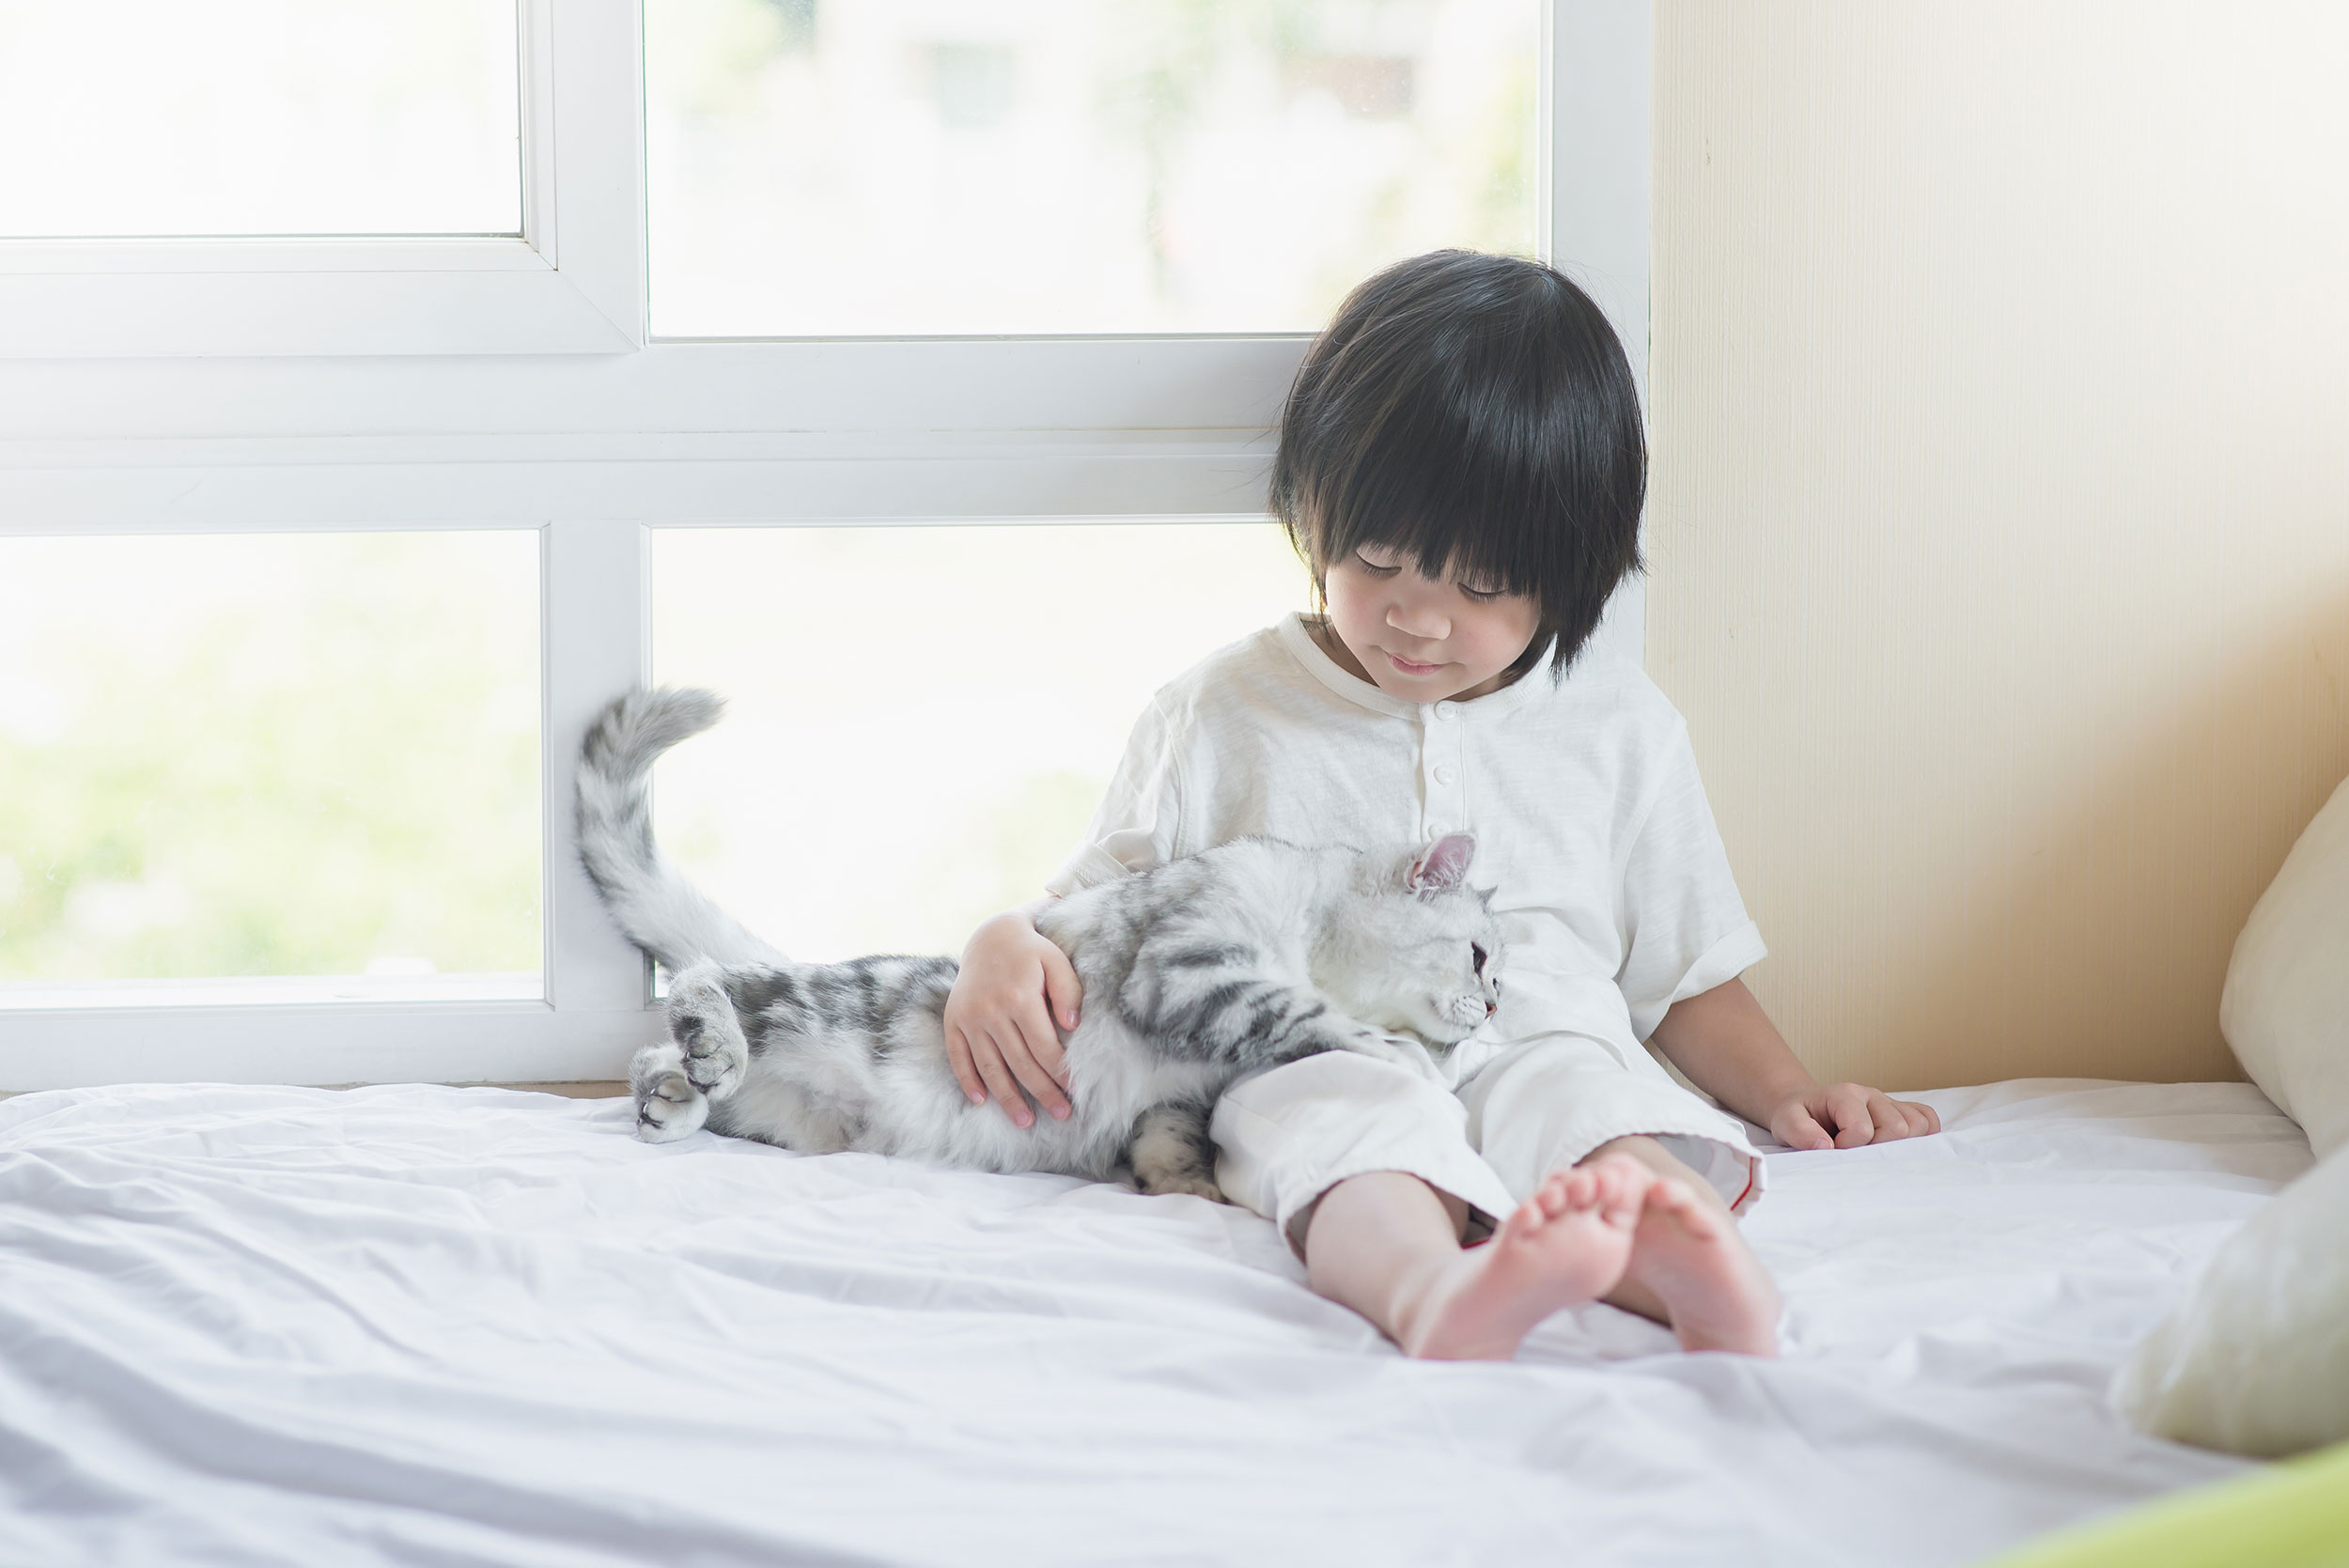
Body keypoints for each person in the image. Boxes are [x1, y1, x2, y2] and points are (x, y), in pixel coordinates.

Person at [941, 250, 1939, 1361]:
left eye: (1480, 588)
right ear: (1310, 511)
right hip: (1317, 1045)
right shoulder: (1221, 711)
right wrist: (997, 942)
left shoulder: (1616, 724)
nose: (1416, 621)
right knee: (1338, 1136)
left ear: (1570, 574)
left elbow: (1684, 975)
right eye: (1376, 561)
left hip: (1540, 1037)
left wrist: (1791, 1088)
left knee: (1586, 1112)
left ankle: (1700, 1280)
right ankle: (1429, 1294)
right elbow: (1101, 918)